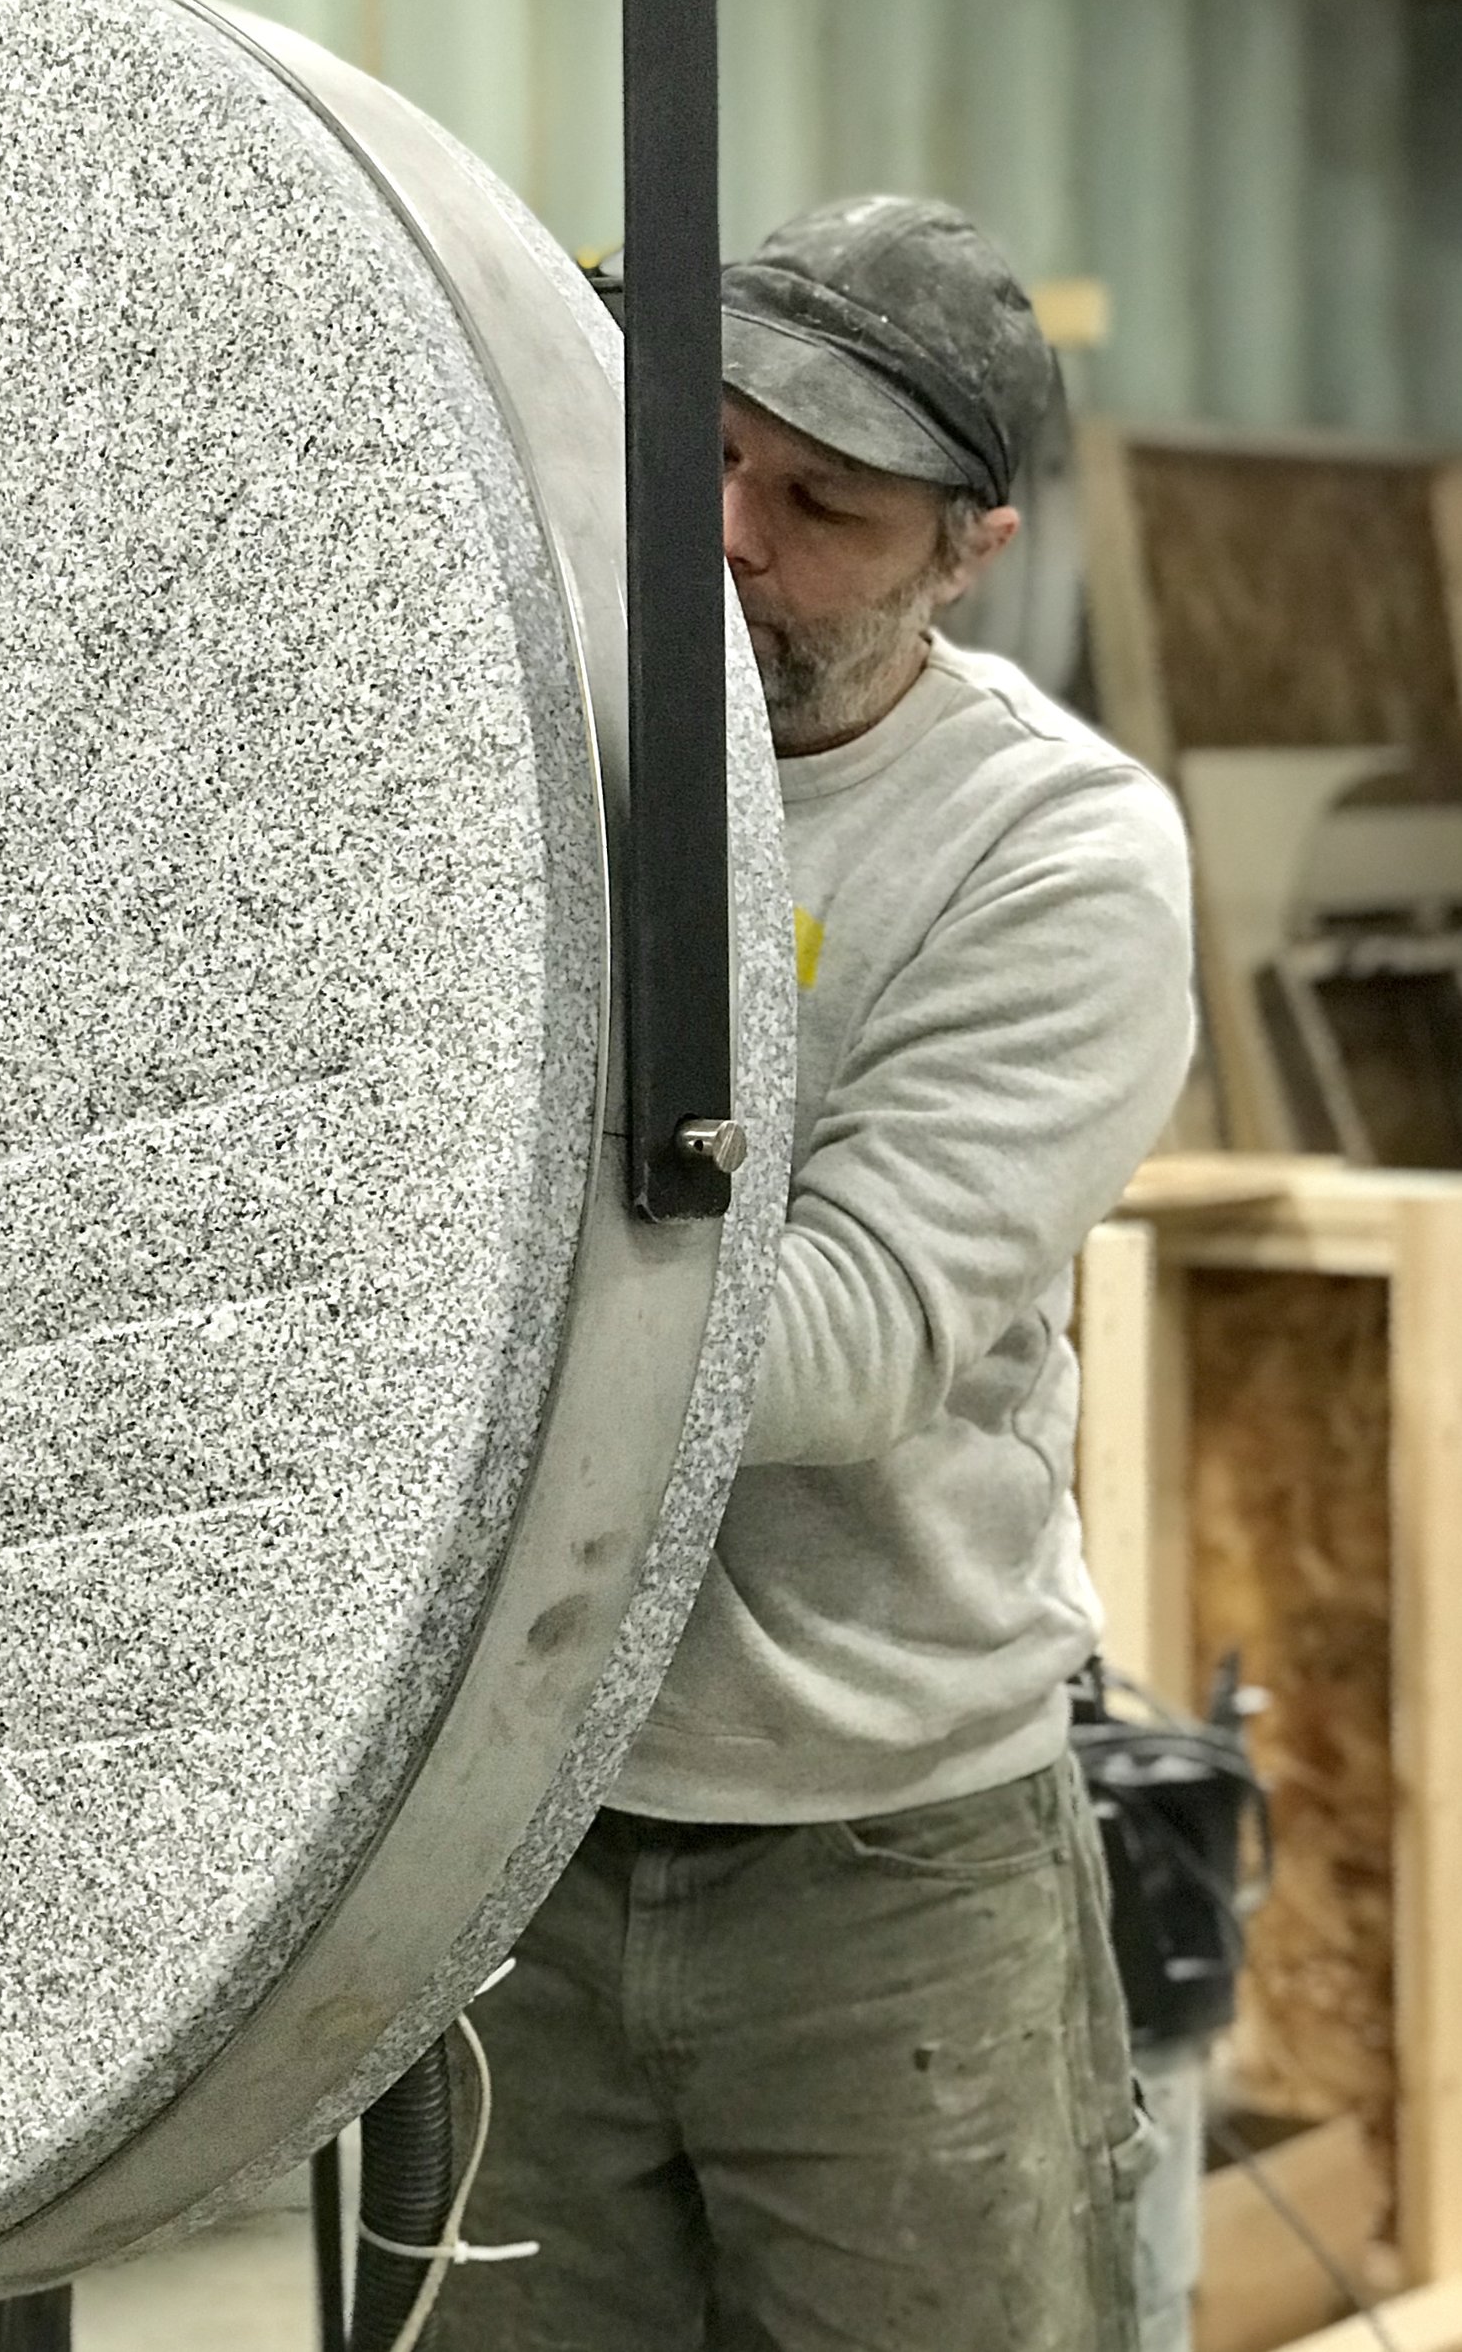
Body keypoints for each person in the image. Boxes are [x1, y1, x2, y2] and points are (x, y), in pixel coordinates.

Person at [435, 197, 1196, 2352]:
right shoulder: (543, 761)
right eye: (707, 459)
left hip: (879, 1870)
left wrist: (397, 1311)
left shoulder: (1048, 853)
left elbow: (844, 1340)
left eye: (823, 506)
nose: (730, 538)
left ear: (970, 546)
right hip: (516, 1839)